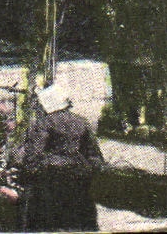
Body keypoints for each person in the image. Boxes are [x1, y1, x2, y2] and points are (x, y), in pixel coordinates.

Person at [16, 84, 103, 232]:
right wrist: (90, 173)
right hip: (78, 177)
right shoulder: (82, 121)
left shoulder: (45, 123)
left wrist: (28, 174)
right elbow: (94, 155)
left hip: (51, 179)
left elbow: (33, 154)